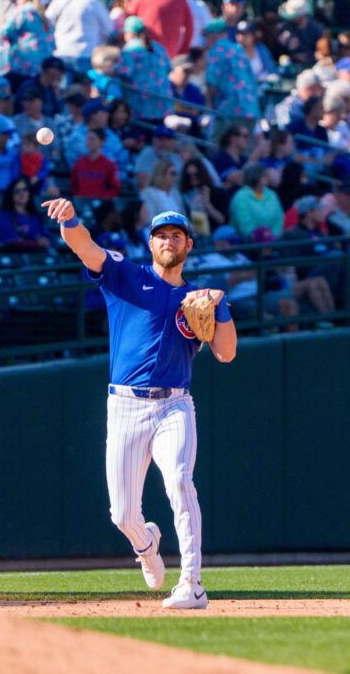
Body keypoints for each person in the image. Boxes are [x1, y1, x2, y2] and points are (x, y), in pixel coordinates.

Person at [42, 193, 236, 609]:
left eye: (177, 235)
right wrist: (71, 219)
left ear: (188, 245)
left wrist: (221, 311)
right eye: (161, 235)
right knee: (122, 515)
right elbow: (84, 247)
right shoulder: (127, 276)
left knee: (180, 481)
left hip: (174, 405)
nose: (169, 241)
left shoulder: (200, 299)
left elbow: (227, 353)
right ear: (151, 244)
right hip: (126, 406)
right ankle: (146, 546)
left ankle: (193, 584)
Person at [45, 0, 113, 73]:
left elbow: (47, 22)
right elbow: (109, 29)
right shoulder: (93, 2)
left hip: (62, 52)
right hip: (87, 54)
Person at [125, 0, 193, 58]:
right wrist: (183, 51)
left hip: (143, 53)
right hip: (169, 55)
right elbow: (190, 28)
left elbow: (128, 22)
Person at [229, 162, 284, 238]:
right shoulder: (241, 197)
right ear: (254, 176)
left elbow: (279, 218)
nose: (267, 178)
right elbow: (244, 223)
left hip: (273, 241)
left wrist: (273, 236)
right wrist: (259, 238)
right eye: (264, 175)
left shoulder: (272, 194)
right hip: (249, 243)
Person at [0, 177, 49, 252]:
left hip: (40, 256)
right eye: (17, 191)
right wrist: (36, 243)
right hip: (16, 256)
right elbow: (11, 242)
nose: (22, 193)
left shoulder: (35, 216)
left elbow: (47, 238)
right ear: (11, 195)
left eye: (25, 189)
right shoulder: (4, 216)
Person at [71, 127, 121, 198]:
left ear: (102, 142)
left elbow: (115, 188)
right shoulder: (79, 162)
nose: (89, 142)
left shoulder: (109, 164)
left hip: (101, 204)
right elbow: (74, 184)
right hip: (82, 202)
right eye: (88, 138)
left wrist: (104, 199)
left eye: (92, 139)